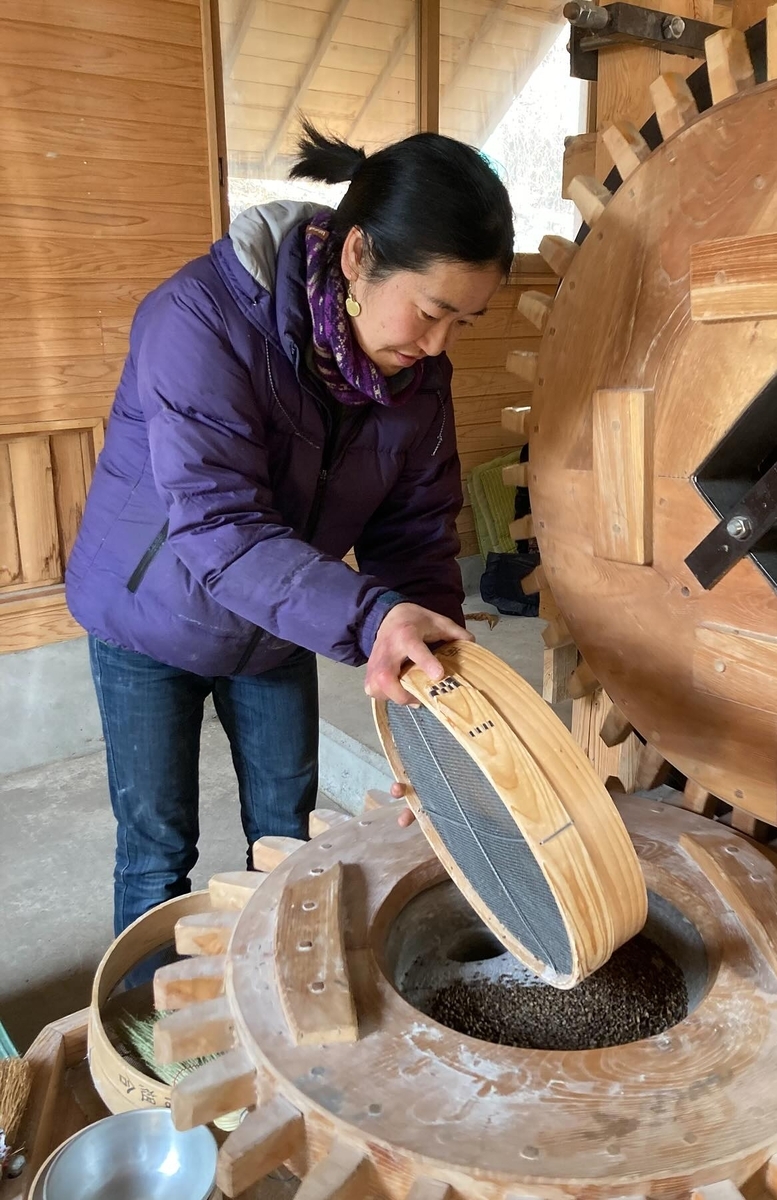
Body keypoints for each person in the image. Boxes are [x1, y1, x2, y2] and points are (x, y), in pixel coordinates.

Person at [65, 122, 515, 934]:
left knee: (289, 841)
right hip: (147, 618)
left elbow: (414, 535)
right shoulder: (198, 319)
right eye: (431, 311)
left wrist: (431, 697)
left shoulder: (417, 376)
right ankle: (150, 1014)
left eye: (465, 323)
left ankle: (273, 1001)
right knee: (158, 853)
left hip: (280, 624)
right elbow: (221, 527)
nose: (440, 344)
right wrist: (373, 620)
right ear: (357, 256)